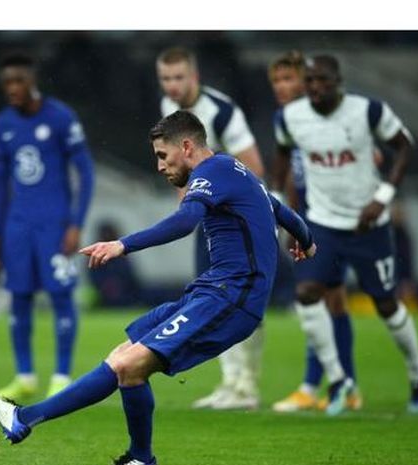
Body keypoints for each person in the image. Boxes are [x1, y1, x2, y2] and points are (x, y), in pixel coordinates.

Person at [0, 111, 333, 465]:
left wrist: (123, 244)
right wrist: (308, 241)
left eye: (163, 156)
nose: (160, 166)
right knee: (123, 358)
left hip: (231, 297)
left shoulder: (212, 173)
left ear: (186, 146)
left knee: (131, 364)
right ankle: (84, 439)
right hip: (210, 292)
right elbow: (281, 210)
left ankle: (51, 429)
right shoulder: (234, 171)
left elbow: (185, 221)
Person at [273, 54, 418, 414]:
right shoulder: (291, 117)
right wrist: (281, 206)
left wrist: (384, 197)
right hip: (323, 224)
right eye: (310, 81)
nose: (315, 87)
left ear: (338, 81)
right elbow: (282, 156)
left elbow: (405, 144)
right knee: (307, 293)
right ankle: (338, 380)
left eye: (323, 81)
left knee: (386, 306)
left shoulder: (368, 111)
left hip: (368, 226)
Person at [156, 46, 266, 410]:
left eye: (178, 78)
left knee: (240, 296)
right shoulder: (167, 111)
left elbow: (253, 167)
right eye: (166, 78)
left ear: (195, 77)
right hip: (207, 220)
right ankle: (230, 382)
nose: (172, 86)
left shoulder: (222, 111)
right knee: (211, 295)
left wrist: (213, 197)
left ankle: (247, 385)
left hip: (239, 221)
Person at [0, 53, 95, 401]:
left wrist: (76, 223)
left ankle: (61, 375)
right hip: (17, 225)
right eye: (6, 83)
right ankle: (25, 376)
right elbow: (0, 182)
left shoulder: (61, 118)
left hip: (54, 224)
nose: (12, 88)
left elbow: (87, 173)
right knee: (18, 297)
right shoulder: (3, 123)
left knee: (61, 296)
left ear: (32, 80)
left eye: (18, 80)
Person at [267, 51, 362, 413]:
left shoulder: (322, 120)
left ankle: (314, 384)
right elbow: (287, 172)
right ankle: (346, 386)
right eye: (276, 81)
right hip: (308, 215)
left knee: (315, 298)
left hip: (324, 218)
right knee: (329, 299)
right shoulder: (287, 121)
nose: (282, 87)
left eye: (289, 79)